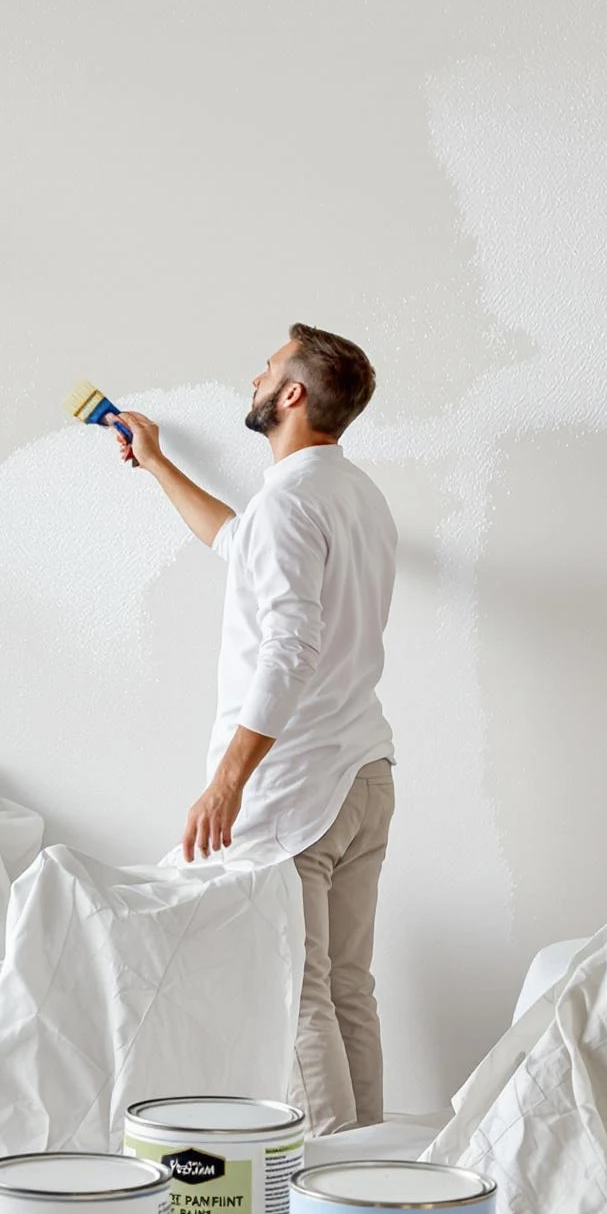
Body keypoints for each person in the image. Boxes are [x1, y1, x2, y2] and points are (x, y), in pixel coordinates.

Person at [113, 326, 398, 1133]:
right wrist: (157, 462)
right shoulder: (355, 496)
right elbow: (236, 543)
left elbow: (289, 648)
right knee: (348, 987)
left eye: (268, 369)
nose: (256, 377)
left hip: (298, 787)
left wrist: (227, 781)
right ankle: (371, 1172)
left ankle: (330, 1184)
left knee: (298, 992)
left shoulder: (290, 504)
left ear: (292, 394)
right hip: (364, 773)